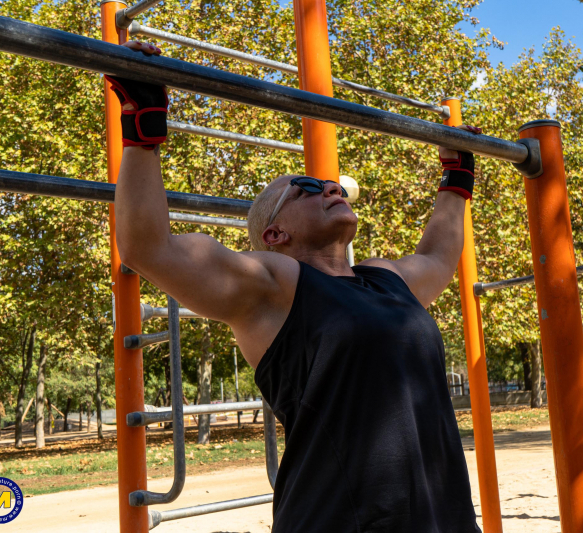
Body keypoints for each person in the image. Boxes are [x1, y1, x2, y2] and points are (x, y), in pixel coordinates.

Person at [110, 40, 483, 533]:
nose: (330, 186)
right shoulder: (278, 287)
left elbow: (438, 254)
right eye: (306, 188)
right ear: (274, 234)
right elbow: (148, 248)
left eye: (329, 185)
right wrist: (143, 128)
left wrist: (457, 174)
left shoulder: (386, 281)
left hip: (444, 520)